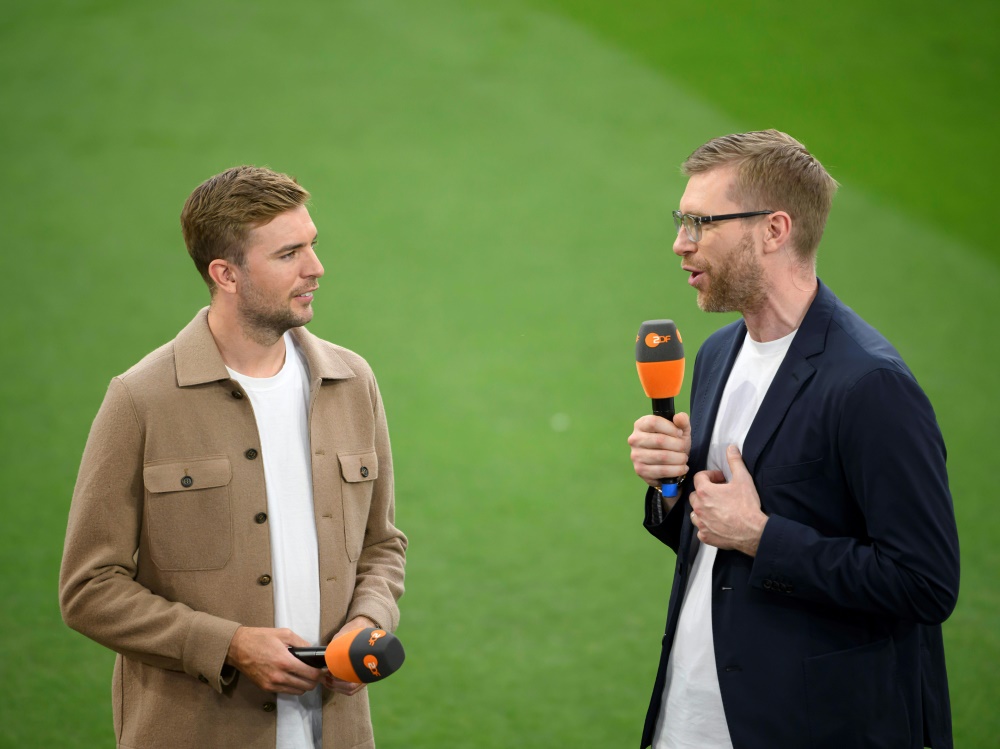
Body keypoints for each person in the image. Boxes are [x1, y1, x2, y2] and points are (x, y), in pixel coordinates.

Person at [627, 130, 959, 749]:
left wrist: (761, 535)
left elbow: (925, 584)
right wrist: (670, 485)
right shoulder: (718, 354)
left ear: (774, 230)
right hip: (688, 721)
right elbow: (711, 537)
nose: (680, 243)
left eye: (701, 223)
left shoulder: (870, 384)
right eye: (681, 221)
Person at [59, 166, 407, 749]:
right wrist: (227, 645)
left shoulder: (352, 382)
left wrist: (369, 621)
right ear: (225, 274)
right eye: (289, 254)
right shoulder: (141, 399)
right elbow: (89, 588)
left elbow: (382, 543)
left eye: (312, 245)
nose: (316, 268)